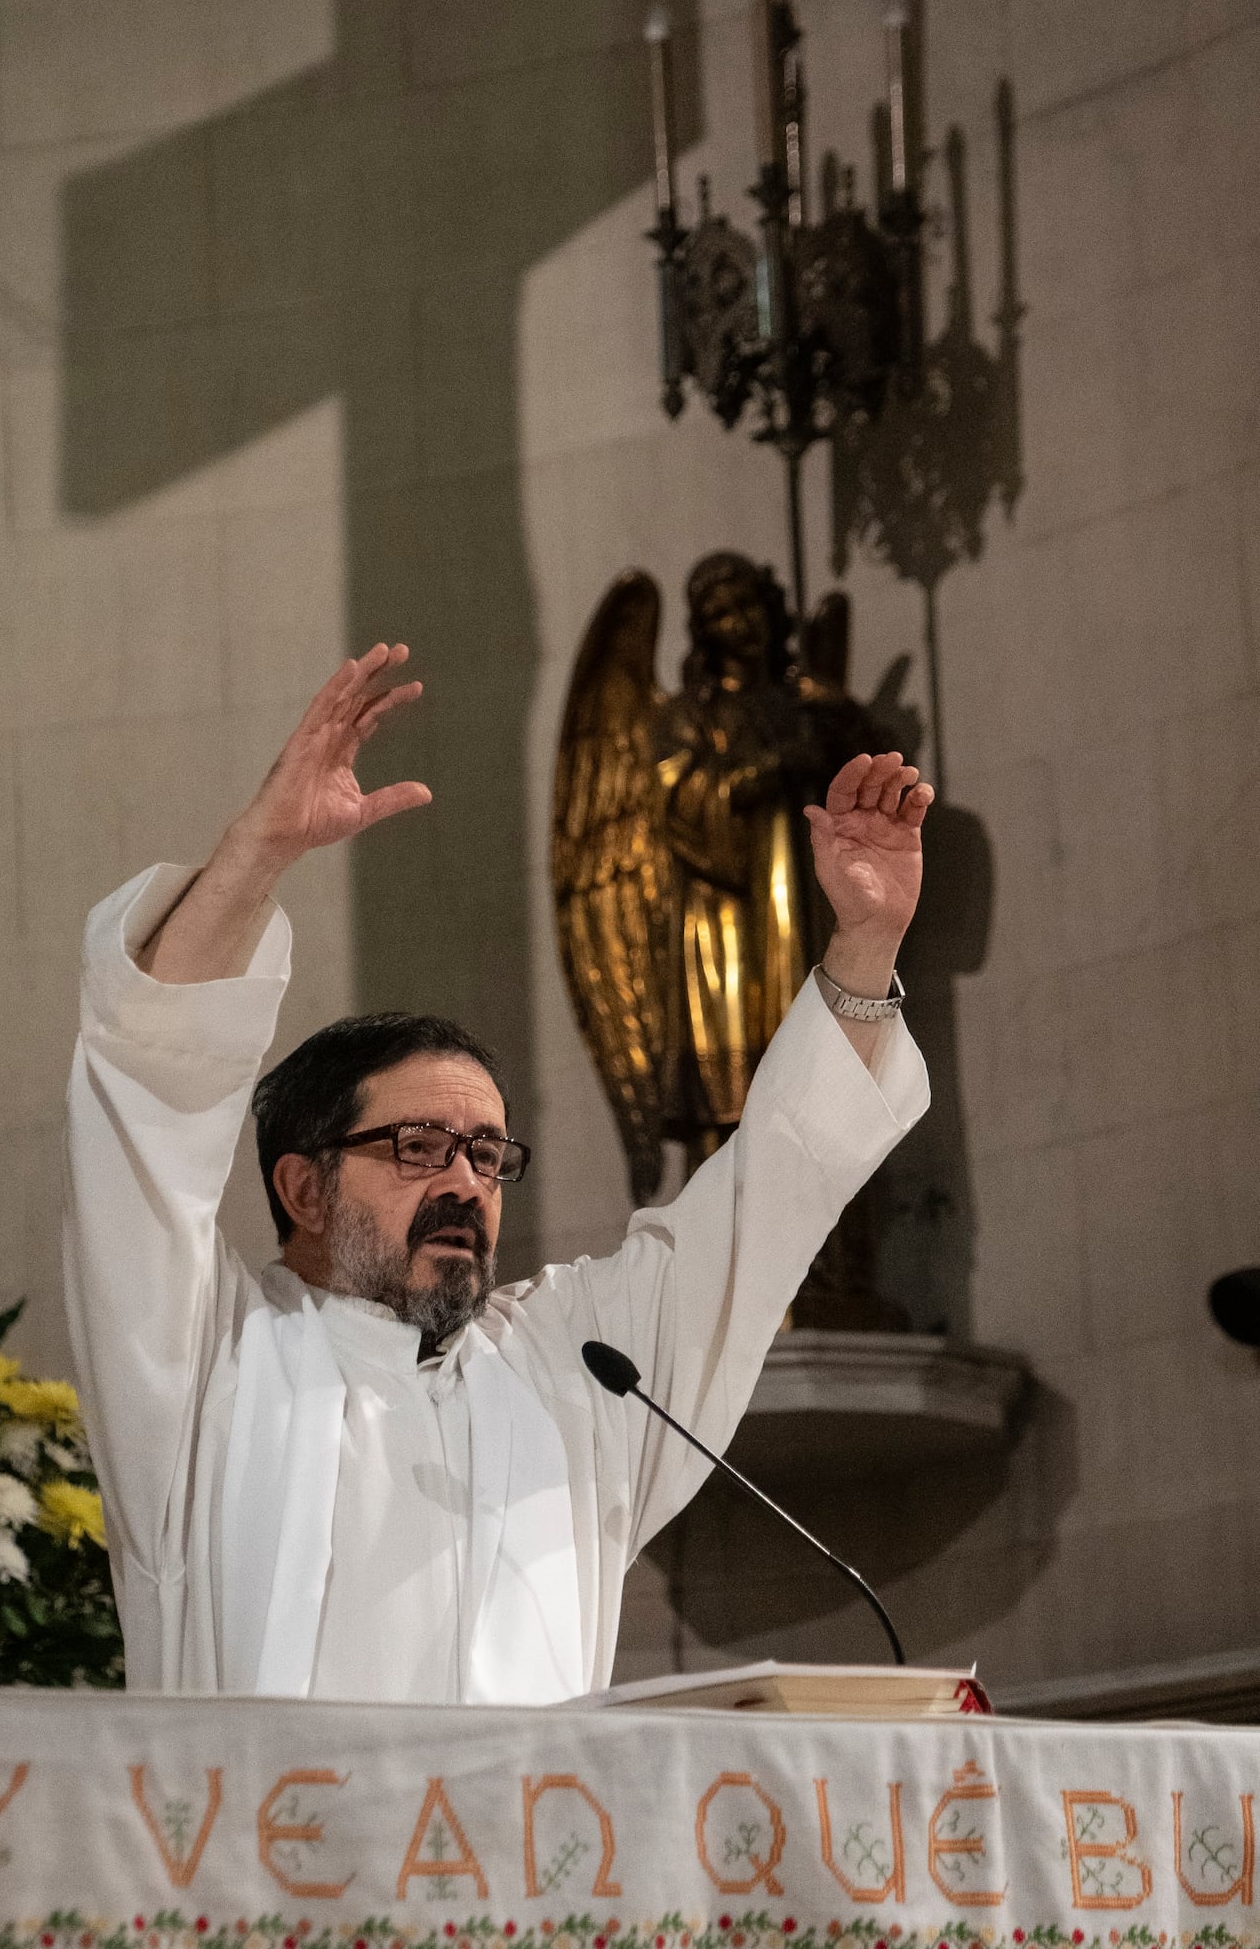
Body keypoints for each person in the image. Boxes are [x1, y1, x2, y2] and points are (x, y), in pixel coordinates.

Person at [63, 642, 932, 1703]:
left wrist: (865, 946)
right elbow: (147, 1099)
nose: (465, 1184)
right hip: (271, 1866)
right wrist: (260, 852)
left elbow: (775, 1192)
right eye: (418, 1148)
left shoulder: (581, 1371)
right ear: (301, 1189)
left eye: (486, 1154)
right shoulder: (203, 1364)